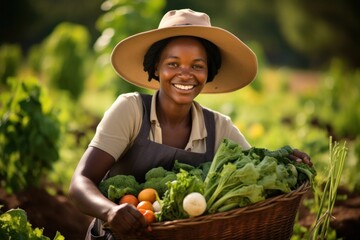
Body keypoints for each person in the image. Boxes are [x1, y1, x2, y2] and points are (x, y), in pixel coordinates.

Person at [68, 9, 312, 239]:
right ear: (156, 67)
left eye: (197, 66)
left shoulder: (219, 127)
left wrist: (286, 161)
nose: (185, 74)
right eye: (173, 64)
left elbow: (255, 169)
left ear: (209, 73)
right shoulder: (130, 110)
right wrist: (110, 211)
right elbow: (80, 184)